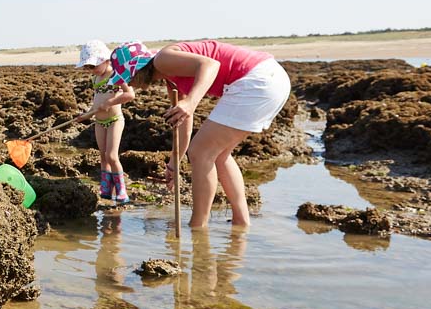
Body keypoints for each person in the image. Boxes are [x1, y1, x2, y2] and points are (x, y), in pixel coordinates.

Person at [91, 40, 290, 229]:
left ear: (138, 69)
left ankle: (198, 227)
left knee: (201, 153)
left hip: (257, 80)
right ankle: (241, 222)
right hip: (270, 79)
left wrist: (191, 101)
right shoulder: (171, 79)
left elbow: (210, 65)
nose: (130, 84)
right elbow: (184, 120)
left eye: (128, 78)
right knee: (219, 155)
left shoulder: (163, 59)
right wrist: (174, 162)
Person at [76, 39, 135, 202]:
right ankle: (106, 188)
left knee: (112, 155)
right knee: (103, 155)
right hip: (99, 122)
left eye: (93, 66)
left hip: (115, 120)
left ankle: (121, 190)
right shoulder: (95, 79)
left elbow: (130, 94)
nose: (91, 70)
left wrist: (110, 103)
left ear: (106, 60)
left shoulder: (116, 74)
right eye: (87, 67)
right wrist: (86, 115)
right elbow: (96, 102)